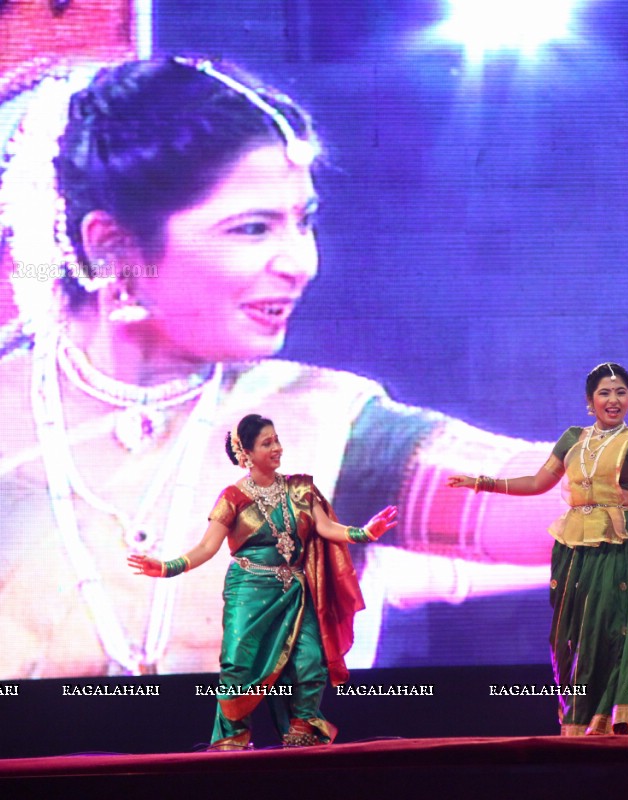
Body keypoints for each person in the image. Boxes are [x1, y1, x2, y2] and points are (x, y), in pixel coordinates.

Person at [0, 57, 562, 678]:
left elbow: (556, 502)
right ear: (114, 245)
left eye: (302, 222)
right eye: (251, 228)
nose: (301, 263)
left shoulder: (321, 421)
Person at [448, 363, 628, 735]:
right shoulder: (572, 438)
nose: (613, 400)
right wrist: (484, 482)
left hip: (626, 545)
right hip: (575, 549)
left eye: (621, 393)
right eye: (604, 393)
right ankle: (582, 721)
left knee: (620, 629)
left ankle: (625, 718)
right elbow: (539, 481)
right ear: (590, 401)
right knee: (573, 636)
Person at [129, 413, 396, 749]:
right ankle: (232, 738)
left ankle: (302, 732)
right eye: (267, 443)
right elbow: (207, 547)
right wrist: (168, 567)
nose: (277, 448)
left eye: (277, 440)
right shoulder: (233, 498)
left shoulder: (300, 489)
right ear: (246, 454)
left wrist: (364, 532)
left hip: (296, 592)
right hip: (249, 591)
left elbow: (326, 528)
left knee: (309, 660)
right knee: (239, 665)